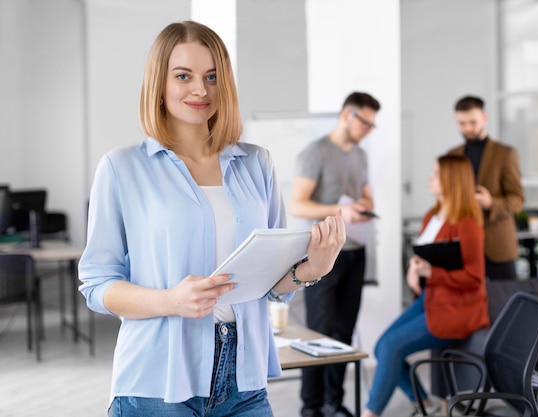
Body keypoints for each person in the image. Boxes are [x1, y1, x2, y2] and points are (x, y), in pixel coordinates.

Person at [78, 21, 346, 417]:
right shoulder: (122, 168)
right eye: (183, 76)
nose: (200, 90)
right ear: (159, 83)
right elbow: (97, 285)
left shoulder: (257, 164)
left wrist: (312, 268)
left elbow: (271, 285)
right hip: (157, 382)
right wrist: (169, 300)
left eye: (212, 77)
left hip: (244, 381)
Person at [361, 154, 489, 417]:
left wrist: (433, 272)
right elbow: (425, 255)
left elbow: (475, 278)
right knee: (381, 347)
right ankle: (425, 405)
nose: (429, 178)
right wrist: (414, 270)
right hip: (430, 298)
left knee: (389, 347)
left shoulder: (468, 223)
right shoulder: (432, 215)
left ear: (452, 181)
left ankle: (370, 413)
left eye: (436, 174)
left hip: (457, 308)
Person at [291, 92, 380, 417]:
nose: (368, 129)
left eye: (373, 125)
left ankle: (334, 402)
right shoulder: (315, 153)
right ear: (347, 115)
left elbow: (366, 195)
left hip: (355, 250)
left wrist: (363, 206)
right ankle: (310, 406)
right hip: (324, 253)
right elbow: (298, 204)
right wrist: (338, 209)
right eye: (365, 122)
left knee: (343, 330)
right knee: (319, 329)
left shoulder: (361, 155)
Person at [447, 95, 524, 280]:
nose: (467, 128)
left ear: (485, 117)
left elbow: (518, 199)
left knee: (506, 300)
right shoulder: (453, 155)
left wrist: (491, 203)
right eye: (461, 123)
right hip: (463, 243)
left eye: (472, 122)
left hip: (497, 245)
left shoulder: (505, 154)